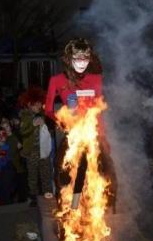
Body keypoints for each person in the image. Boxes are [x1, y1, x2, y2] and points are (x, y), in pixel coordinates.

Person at [45, 38, 116, 210]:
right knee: (64, 169)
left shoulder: (95, 79)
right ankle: (69, 206)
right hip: (72, 133)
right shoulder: (56, 80)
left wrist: (103, 136)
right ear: (69, 59)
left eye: (85, 58)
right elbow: (48, 109)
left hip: (93, 132)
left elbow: (98, 108)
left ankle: (103, 207)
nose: (81, 63)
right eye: (77, 58)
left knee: (105, 167)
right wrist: (62, 121)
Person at [19, 87, 52, 207]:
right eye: (37, 104)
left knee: (46, 173)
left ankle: (48, 195)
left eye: (40, 103)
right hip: (32, 151)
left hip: (44, 150)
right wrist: (33, 124)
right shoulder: (25, 116)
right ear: (29, 104)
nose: (39, 105)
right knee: (32, 176)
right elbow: (23, 132)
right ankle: (33, 198)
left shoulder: (43, 114)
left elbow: (51, 128)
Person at [0, 117, 26, 202]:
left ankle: (21, 200)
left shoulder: (15, 136)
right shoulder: (3, 138)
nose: (6, 129)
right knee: (9, 184)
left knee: (20, 184)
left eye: (7, 127)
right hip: (8, 165)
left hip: (17, 164)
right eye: (3, 128)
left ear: (10, 127)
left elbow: (20, 147)